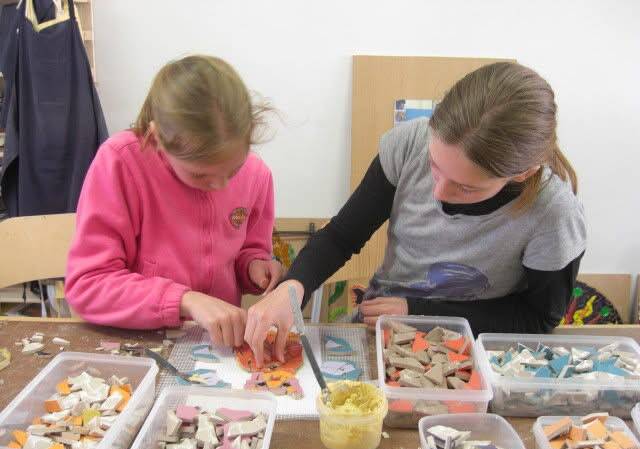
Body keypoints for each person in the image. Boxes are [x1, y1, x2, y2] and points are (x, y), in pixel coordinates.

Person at [245, 62, 586, 367]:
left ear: (523, 173)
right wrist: (293, 286)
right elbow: (341, 237)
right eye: (434, 166)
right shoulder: (410, 143)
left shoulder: (554, 214)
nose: (438, 194)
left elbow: (536, 319)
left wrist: (419, 313)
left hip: (474, 350)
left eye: (465, 187)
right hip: (380, 332)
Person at [66, 55, 282, 347]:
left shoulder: (256, 175)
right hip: (141, 343)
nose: (221, 185)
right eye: (199, 174)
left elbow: (247, 250)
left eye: (233, 170)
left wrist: (254, 265)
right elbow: (88, 286)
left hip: (217, 349)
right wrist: (185, 300)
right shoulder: (121, 163)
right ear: (157, 138)